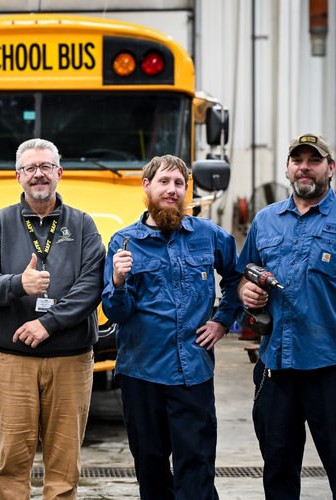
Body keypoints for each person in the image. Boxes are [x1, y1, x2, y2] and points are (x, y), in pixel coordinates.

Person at [238, 133, 336, 499]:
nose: (304, 167)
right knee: (278, 472)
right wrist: (248, 293)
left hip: (334, 368)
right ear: (288, 168)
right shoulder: (266, 220)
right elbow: (246, 274)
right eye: (297, 160)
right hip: (276, 368)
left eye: (314, 160)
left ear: (330, 168)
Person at [0, 138, 105, 500]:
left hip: (71, 359)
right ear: (18, 176)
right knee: (12, 462)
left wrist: (50, 322)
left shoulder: (83, 225)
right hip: (12, 360)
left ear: (59, 173)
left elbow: (92, 285)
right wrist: (18, 284)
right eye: (30, 168)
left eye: (45, 166)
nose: (38, 174)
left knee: (64, 465)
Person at [101, 155, 242, 500]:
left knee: (197, 465)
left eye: (179, 184)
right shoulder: (124, 242)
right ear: (146, 187)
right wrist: (119, 280)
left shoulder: (208, 234)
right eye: (164, 182)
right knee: (150, 467)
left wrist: (223, 321)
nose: (172, 190)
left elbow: (237, 278)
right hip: (142, 372)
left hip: (192, 372)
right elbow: (115, 312)